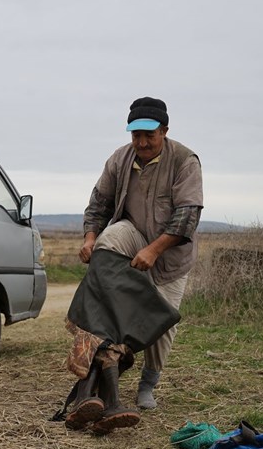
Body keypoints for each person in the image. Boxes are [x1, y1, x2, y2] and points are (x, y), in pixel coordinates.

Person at [79, 96, 203, 410]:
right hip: (132, 235)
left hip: (171, 256)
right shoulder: (119, 160)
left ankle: (147, 385)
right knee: (110, 237)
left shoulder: (185, 161)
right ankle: (98, 314)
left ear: (164, 131)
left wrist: (154, 250)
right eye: (136, 135)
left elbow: (187, 215)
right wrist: (90, 239)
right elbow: (98, 205)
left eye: (149, 135)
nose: (142, 142)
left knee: (162, 325)